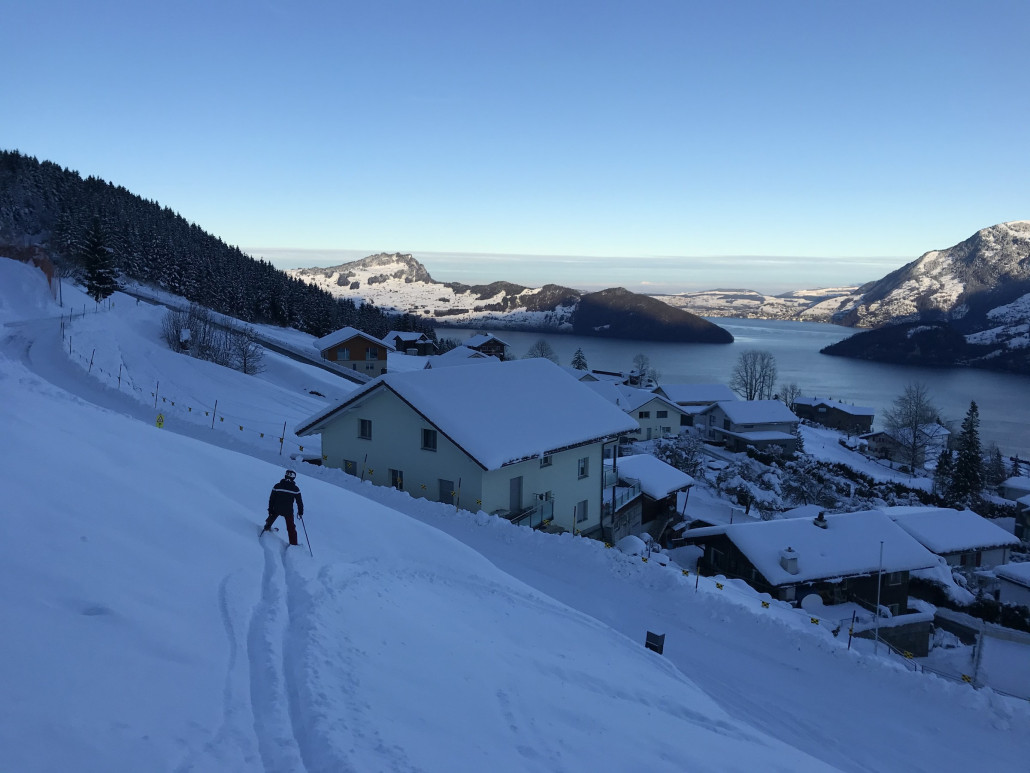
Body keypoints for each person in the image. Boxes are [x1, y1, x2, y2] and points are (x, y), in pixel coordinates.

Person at [263, 469, 304, 546]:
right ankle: (293, 543)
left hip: (276, 508)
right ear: (293, 478)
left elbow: (271, 499)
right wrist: (300, 512)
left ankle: (267, 527)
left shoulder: (277, 486)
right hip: (288, 511)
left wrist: (270, 510)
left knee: (272, 516)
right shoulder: (295, 489)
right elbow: (299, 502)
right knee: (291, 527)